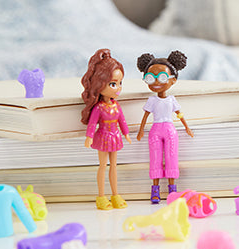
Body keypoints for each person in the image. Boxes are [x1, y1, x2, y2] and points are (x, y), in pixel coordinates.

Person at [135, 50, 194, 203]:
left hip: (170, 130)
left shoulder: (171, 99)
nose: (156, 82)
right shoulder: (152, 100)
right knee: (155, 159)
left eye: (161, 77)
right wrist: (141, 130)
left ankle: (172, 190)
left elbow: (179, 114)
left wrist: (186, 127)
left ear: (173, 80)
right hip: (155, 130)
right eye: (150, 78)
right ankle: (155, 190)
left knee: (171, 157)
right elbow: (145, 116)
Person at [81, 48, 131, 209]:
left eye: (120, 83)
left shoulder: (116, 106)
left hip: (115, 136)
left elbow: (122, 120)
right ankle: (101, 197)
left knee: (114, 166)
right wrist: (89, 136)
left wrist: (126, 133)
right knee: (103, 166)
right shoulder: (99, 108)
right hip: (102, 136)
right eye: (113, 84)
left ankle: (115, 195)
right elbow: (92, 123)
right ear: (99, 85)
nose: (118, 88)